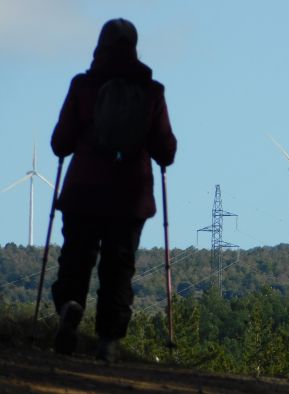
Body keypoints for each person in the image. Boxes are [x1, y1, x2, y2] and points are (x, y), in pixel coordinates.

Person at [50, 18, 177, 362]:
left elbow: (60, 143)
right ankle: (108, 339)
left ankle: (70, 307)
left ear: (100, 45)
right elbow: (166, 151)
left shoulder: (82, 86)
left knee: (76, 257)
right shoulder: (153, 92)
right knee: (119, 268)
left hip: (84, 192)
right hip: (130, 196)